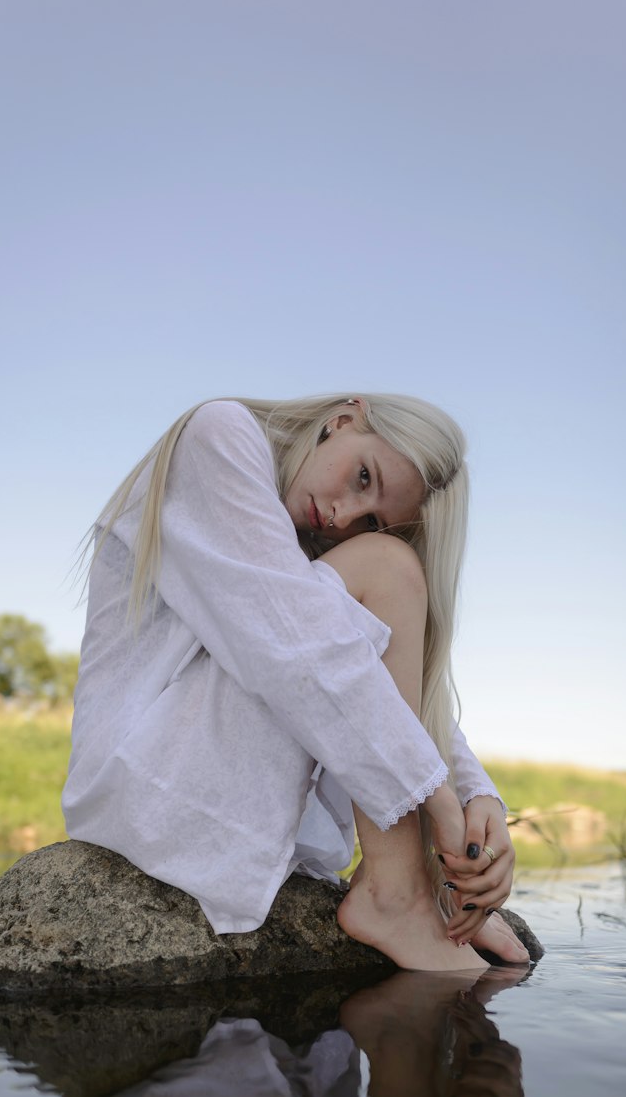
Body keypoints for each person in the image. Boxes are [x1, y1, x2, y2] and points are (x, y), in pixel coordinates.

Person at [62, 393, 527, 970]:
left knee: (387, 571)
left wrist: (476, 795)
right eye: (363, 477)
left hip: (189, 778)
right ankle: (396, 893)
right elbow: (297, 650)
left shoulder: (300, 536)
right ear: (343, 418)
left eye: (373, 519)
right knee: (388, 567)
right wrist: (438, 803)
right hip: (142, 784)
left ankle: (412, 889)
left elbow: (364, 674)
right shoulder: (219, 434)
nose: (344, 517)